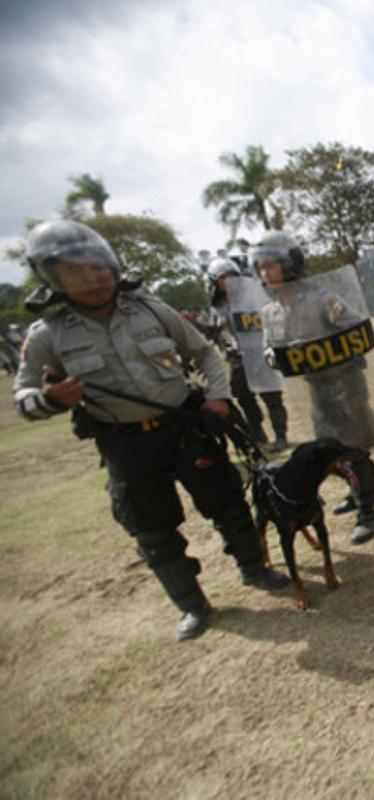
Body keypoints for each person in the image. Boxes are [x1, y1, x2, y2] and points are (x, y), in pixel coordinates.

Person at [13, 220, 288, 641]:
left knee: (228, 501)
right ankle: (192, 606)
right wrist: (51, 400)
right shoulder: (48, 335)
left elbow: (204, 354)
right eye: (76, 272)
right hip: (125, 444)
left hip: (183, 428)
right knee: (153, 529)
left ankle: (255, 569)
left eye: (98, 267)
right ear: (52, 279)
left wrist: (218, 397)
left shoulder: (151, 309)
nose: (93, 278)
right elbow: (24, 398)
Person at [254, 232, 374, 544]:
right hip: (315, 388)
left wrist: (327, 346)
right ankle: (354, 494)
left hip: (345, 382)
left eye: (271, 266)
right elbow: (269, 347)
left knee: (355, 447)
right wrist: (273, 357)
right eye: (260, 267)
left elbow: (355, 328)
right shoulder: (270, 311)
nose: (264, 273)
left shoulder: (322, 297)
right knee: (330, 448)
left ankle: (367, 511)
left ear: (290, 264)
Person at [206, 257, 289, 452]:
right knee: (243, 396)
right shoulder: (216, 306)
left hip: (261, 353)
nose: (229, 283)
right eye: (223, 279)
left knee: (271, 396)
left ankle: (281, 436)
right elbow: (220, 330)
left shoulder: (254, 296)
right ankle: (257, 435)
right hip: (238, 358)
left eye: (232, 277)